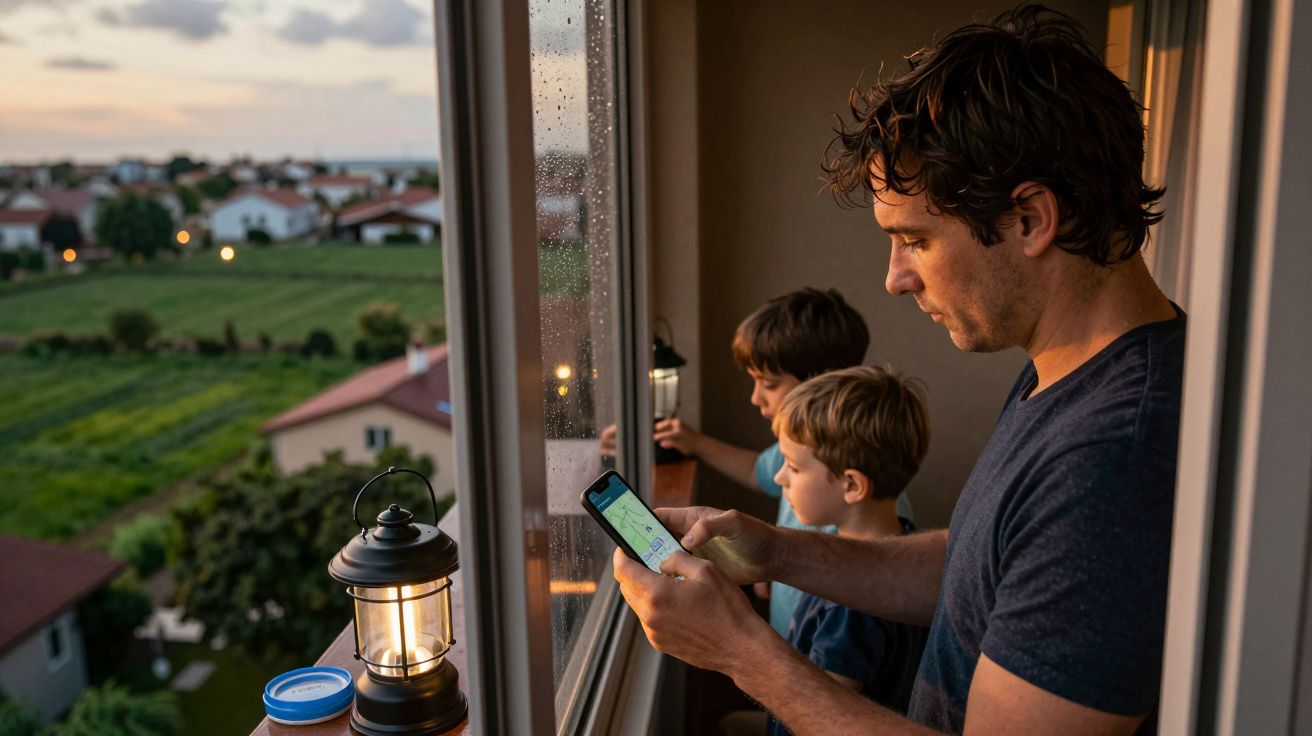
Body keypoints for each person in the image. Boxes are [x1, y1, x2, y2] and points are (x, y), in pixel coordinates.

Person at [613, 5, 1184, 735]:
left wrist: (742, 654)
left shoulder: (1111, 459)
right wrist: (778, 551)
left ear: (1032, 219)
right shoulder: (1068, 374)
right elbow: (978, 566)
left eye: (914, 239)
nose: (895, 279)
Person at [763, 366, 931, 735]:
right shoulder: (909, 549)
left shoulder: (855, 607)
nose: (780, 478)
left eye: (792, 467)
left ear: (851, 485)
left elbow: (819, 712)